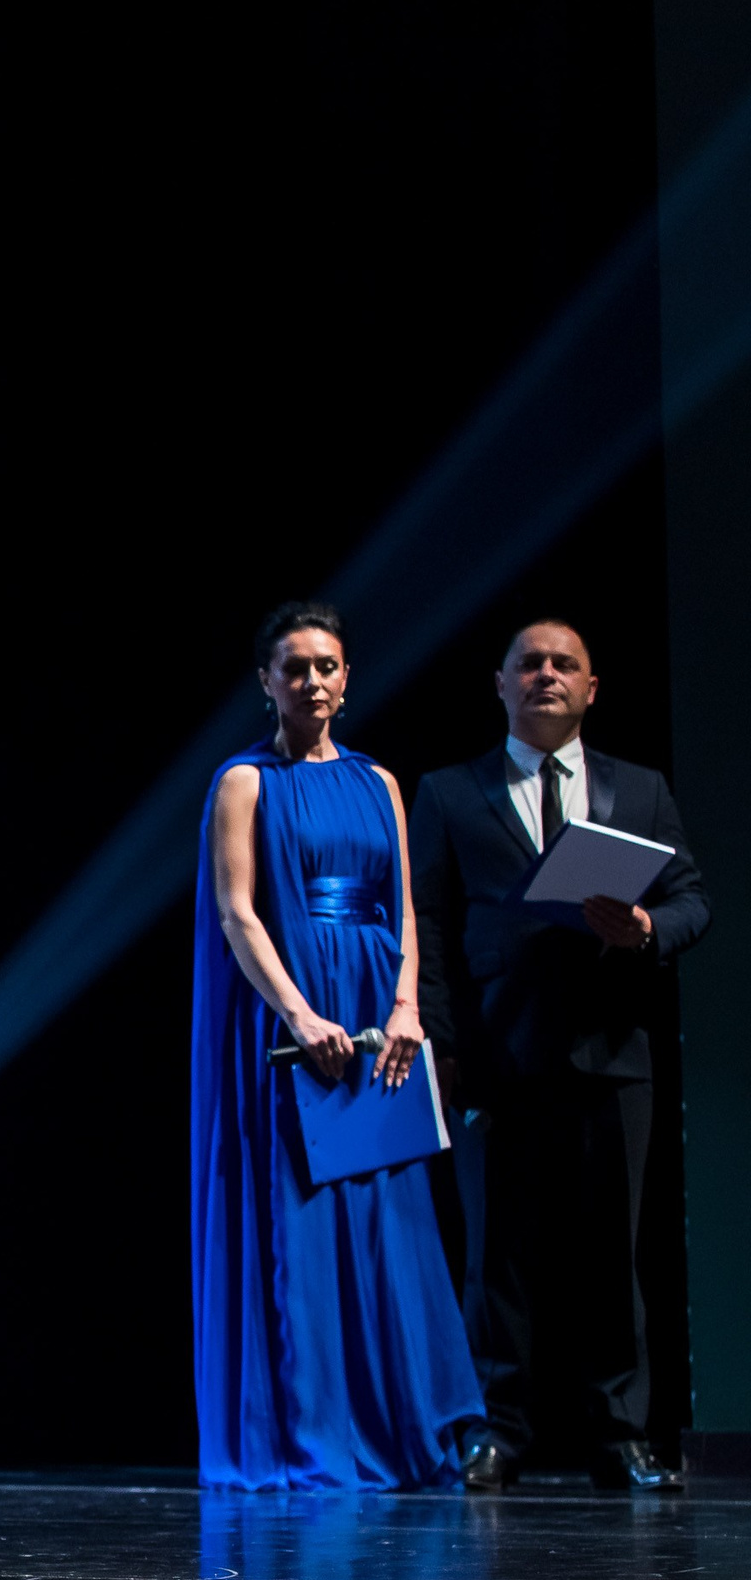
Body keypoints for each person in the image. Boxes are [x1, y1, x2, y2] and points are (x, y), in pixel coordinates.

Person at [411, 620, 709, 1491]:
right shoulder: (450, 791)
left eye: (563, 665)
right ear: (499, 684)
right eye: (529, 664)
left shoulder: (640, 789)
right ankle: (497, 1433)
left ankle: (619, 1435)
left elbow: (692, 897)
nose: (546, 675)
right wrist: (442, 1042)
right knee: (495, 1254)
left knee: (612, 1254)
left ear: (591, 687)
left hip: (612, 1056)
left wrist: (649, 927)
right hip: (499, 1056)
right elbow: (425, 924)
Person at [192, 601, 483, 1489]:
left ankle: (409, 1428)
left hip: (375, 1018)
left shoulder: (380, 783)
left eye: (326, 666)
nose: (312, 680)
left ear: (347, 678)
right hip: (295, 1016)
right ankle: (314, 1431)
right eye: (294, 667)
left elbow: (403, 910)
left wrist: (405, 1007)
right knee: (302, 1221)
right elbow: (238, 913)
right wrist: (297, 1013)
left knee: (389, 1216)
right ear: (267, 683)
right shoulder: (244, 781)